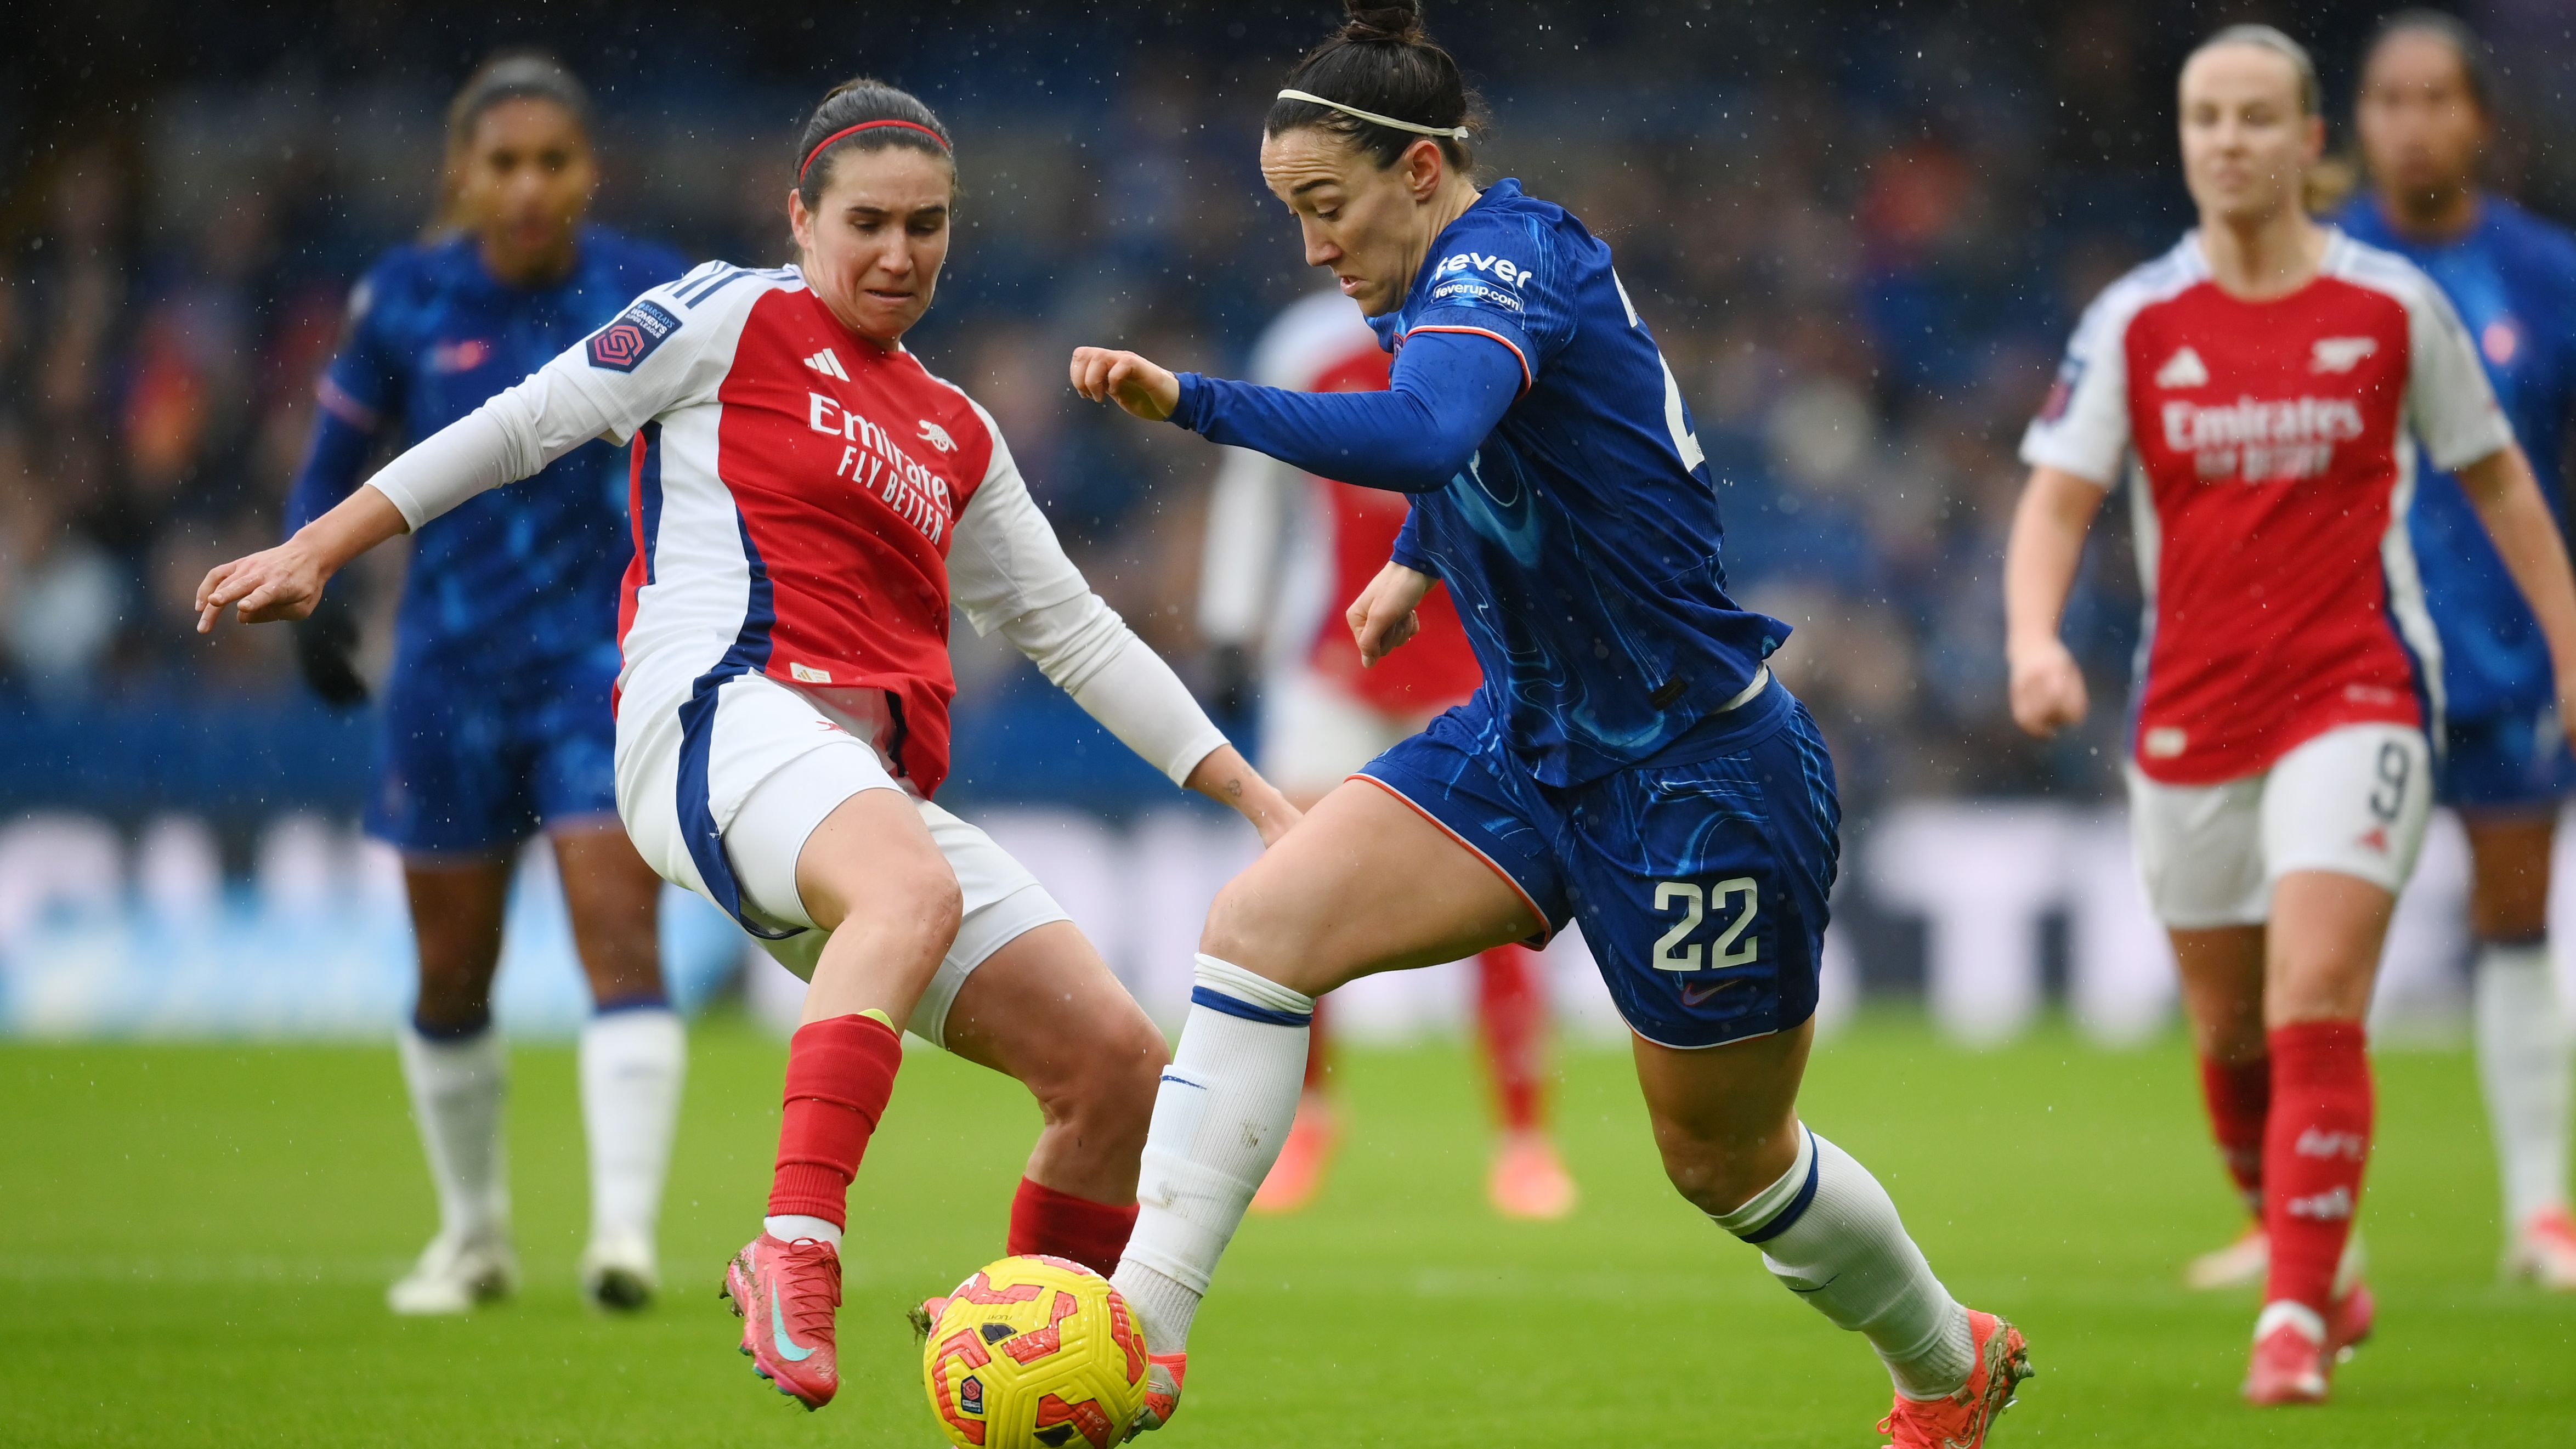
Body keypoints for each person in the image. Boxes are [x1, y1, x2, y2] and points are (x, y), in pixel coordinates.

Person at [201, 77, 1297, 1413]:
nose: (900, 253)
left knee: (1116, 1068)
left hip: (850, 794)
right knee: (909, 885)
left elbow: (1075, 633)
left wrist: (1253, 796)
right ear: (802, 218)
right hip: (717, 715)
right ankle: (794, 1247)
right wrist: (322, 544)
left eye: (930, 227)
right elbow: (526, 420)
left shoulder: (959, 429)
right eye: (870, 222)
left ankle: (1029, 1378)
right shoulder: (731, 313)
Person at [1071, 4, 2030, 1444]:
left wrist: (1196, 402)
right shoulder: (1436, 277)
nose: (1312, 247)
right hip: (1527, 738)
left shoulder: (1512, 255)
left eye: (1324, 208)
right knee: (1259, 928)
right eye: (1292, 215)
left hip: (1702, 768)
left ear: (1417, 172)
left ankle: (1945, 1357)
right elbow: (1520, 444)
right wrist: (1414, 559)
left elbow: (1426, 429)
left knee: (1725, 1163)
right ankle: (1140, 1332)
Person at [2003, 25, 2576, 1406]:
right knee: (2231, 1033)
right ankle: (2318, 1257)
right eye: (2207, 117)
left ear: (2308, 143)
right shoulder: (2139, 317)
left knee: (2314, 997)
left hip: (2360, 692)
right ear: (2186, 137)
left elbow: (2499, 479)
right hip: (2194, 715)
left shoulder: (2390, 307)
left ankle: (2295, 1319)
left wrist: (2568, 644)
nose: (2230, 141)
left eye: (2260, 118)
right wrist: (2034, 641)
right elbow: (2059, 498)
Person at [281, 54, 692, 1316]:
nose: (527, 186)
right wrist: (318, 601)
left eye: (550, 161)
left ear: (589, 172)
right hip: (448, 679)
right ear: (462, 174)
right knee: (451, 975)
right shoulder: (404, 299)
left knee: (619, 939)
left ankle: (622, 1236)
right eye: (502, 163)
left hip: (603, 668)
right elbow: (331, 464)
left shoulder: (650, 293)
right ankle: (476, 1238)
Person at [1199, 285, 1575, 1220]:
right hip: (1328, 662)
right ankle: (1307, 1120)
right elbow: (1255, 484)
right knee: (1294, 890)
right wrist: (1228, 622)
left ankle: (1523, 1138)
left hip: (1471, 662)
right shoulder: (1307, 340)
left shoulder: (1492, 327)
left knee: (1499, 894)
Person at [2336, 9, 2576, 1292]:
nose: (2414, 120)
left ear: (2480, 118)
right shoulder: (2319, 268)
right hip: (2346, 655)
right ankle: (2319, 1230)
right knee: (2330, 944)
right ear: (2358, 122)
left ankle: (2542, 1215)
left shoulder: (2550, 276)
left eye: (2438, 97)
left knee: (2519, 916)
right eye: (2390, 97)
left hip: (2506, 656)